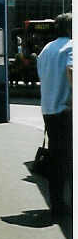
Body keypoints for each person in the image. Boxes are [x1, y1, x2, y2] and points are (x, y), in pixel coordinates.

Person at [37, 13, 72, 220]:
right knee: (67, 159)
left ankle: (58, 204)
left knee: (57, 158)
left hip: (48, 111)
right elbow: (72, 70)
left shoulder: (46, 49)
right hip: (66, 111)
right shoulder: (72, 46)